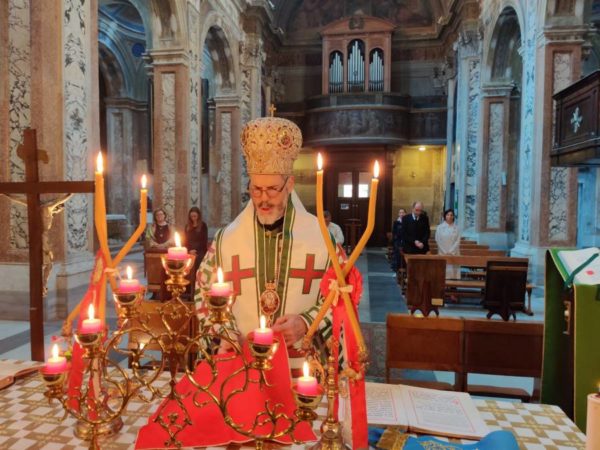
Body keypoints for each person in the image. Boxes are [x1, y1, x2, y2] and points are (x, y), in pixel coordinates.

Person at [194, 115, 337, 373]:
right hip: (242, 369)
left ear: (289, 184)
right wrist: (224, 330)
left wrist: (306, 322)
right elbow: (204, 292)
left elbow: (344, 297)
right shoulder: (226, 240)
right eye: (256, 189)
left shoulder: (322, 239)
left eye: (272, 189)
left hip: (304, 372)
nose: (263, 199)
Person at [185, 206, 208, 297]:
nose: (193, 218)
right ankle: (188, 290)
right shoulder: (187, 226)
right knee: (187, 267)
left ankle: (198, 290)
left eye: (195, 216)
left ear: (198, 216)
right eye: (191, 216)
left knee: (198, 265)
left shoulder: (203, 225)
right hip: (190, 251)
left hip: (200, 251)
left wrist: (196, 250)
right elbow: (185, 240)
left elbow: (204, 240)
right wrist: (189, 250)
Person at [435, 208, 461, 279]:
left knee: (453, 273)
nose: (449, 216)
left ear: (453, 217)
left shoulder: (457, 228)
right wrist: (444, 251)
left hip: (454, 252)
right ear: (445, 216)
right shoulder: (440, 227)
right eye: (448, 215)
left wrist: (451, 251)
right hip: (442, 252)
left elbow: (458, 241)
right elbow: (438, 240)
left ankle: (454, 284)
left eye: (451, 215)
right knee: (443, 273)